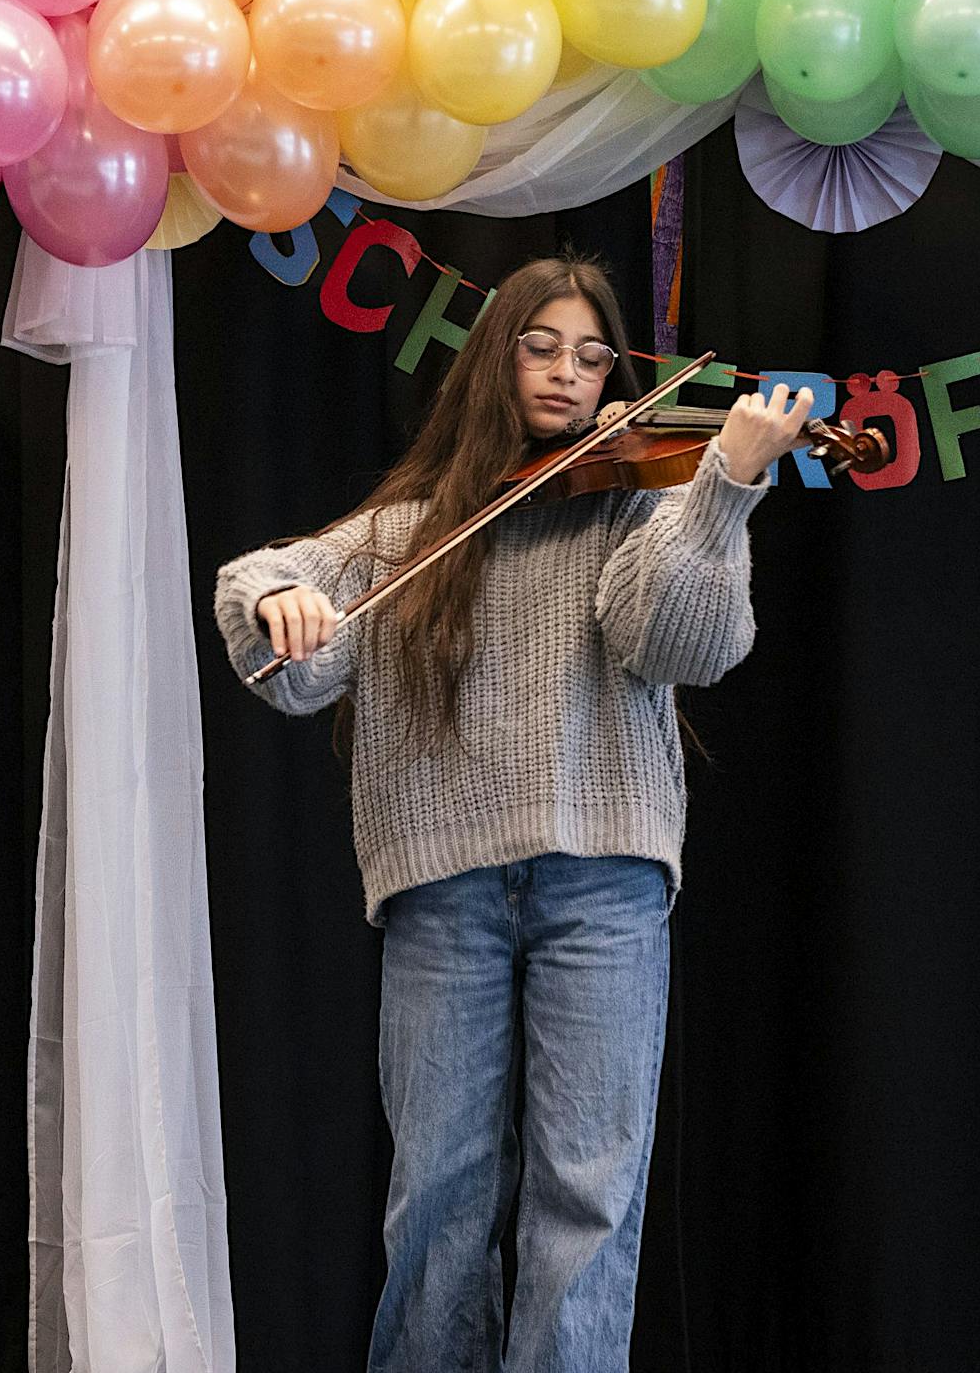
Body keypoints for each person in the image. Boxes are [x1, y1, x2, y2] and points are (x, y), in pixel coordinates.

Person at [213, 252, 813, 1373]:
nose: (567, 374)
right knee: (435, 1184)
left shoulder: (646, 499)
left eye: (592, 356)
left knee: (586, 1188)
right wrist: (279, 596)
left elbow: (680, 641)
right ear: (493, 357)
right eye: (540, 344)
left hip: (606, 883)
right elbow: (271, 604)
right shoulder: (410, 528)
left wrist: (724, 481)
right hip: (444, 884)